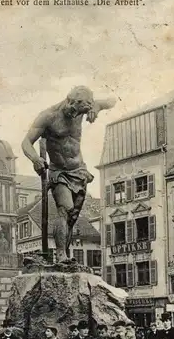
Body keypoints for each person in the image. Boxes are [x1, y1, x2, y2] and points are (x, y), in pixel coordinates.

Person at [21, 86, 115, 262]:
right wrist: (35, 159)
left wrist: (95, 108)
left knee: (73, 217)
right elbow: (26, 142)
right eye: (74, 111)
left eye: (79, 113)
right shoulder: (48, 117)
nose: (75, 116)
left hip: (79, 170)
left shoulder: (82, 109)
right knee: (65, 209)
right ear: (70, 101)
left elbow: (111, 101)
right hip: (59, 172)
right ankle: (61, 255)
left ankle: (63, 255)